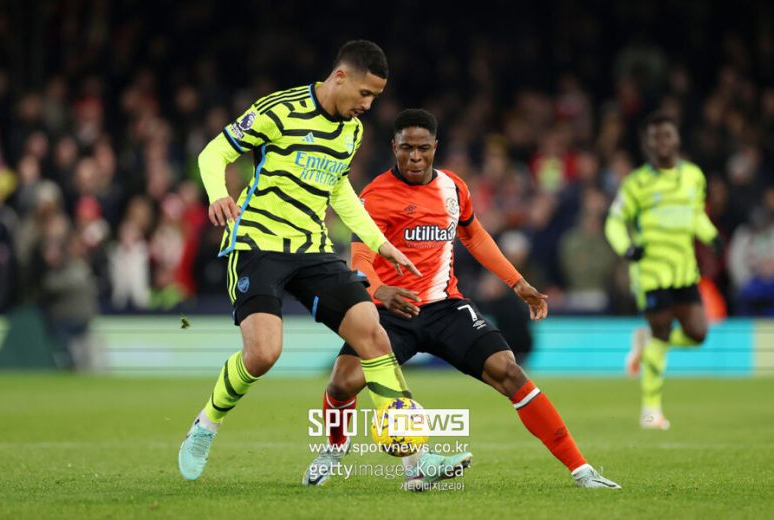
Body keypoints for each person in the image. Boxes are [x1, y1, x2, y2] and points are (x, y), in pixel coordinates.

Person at [303, 109, 621, 490]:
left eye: (423, 148)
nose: (415, 157)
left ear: (435, 147)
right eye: (406, 148)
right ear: (394, 147)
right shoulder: (375, 196)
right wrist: (380, 290)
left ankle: (582, 470)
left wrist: (517, 282)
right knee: (341, 383)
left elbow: (476, 237)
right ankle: (334, 449)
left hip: (445, 308)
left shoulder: (453, 188)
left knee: (509, 371)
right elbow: (361, 260)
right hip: (391, 312)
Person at [179, 41, 429, 481]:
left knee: (372, 332)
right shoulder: (279, 110)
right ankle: (206, 424)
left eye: (375, 97)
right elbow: (213, 153)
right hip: (257, 243)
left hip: (312, 249)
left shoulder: (352, 132)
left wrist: (379, 242)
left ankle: (418, 463)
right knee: (263, 354)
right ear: (340, 77)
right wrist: (218, 194)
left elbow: (339, 190)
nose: (368, 105)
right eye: (365, 94)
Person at [605, 111, 722, 430]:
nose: (662, 142)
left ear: (677, 139)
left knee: (698, 334)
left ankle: (645, 343)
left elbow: (695, 214)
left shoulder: (693, 176)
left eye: (666, 135)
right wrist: (627, 248)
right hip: (651, 272)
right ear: (647, 144)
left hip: (684, 270)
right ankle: (650, 413)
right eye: (655, 137)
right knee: (662, 331)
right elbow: (614, 222)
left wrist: (711, 235)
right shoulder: (636, 183)